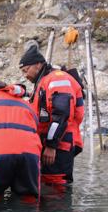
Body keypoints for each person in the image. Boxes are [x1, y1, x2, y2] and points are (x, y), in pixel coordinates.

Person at [19, 45, 84, 187]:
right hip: (52, 142)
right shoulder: (44, 81)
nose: (25, 75)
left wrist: (51, 145)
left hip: (59, 145)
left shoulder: (56, 79)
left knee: (55, 187)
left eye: (26, 70)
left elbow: (61, 114)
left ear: (37, 64)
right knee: (48, 187)